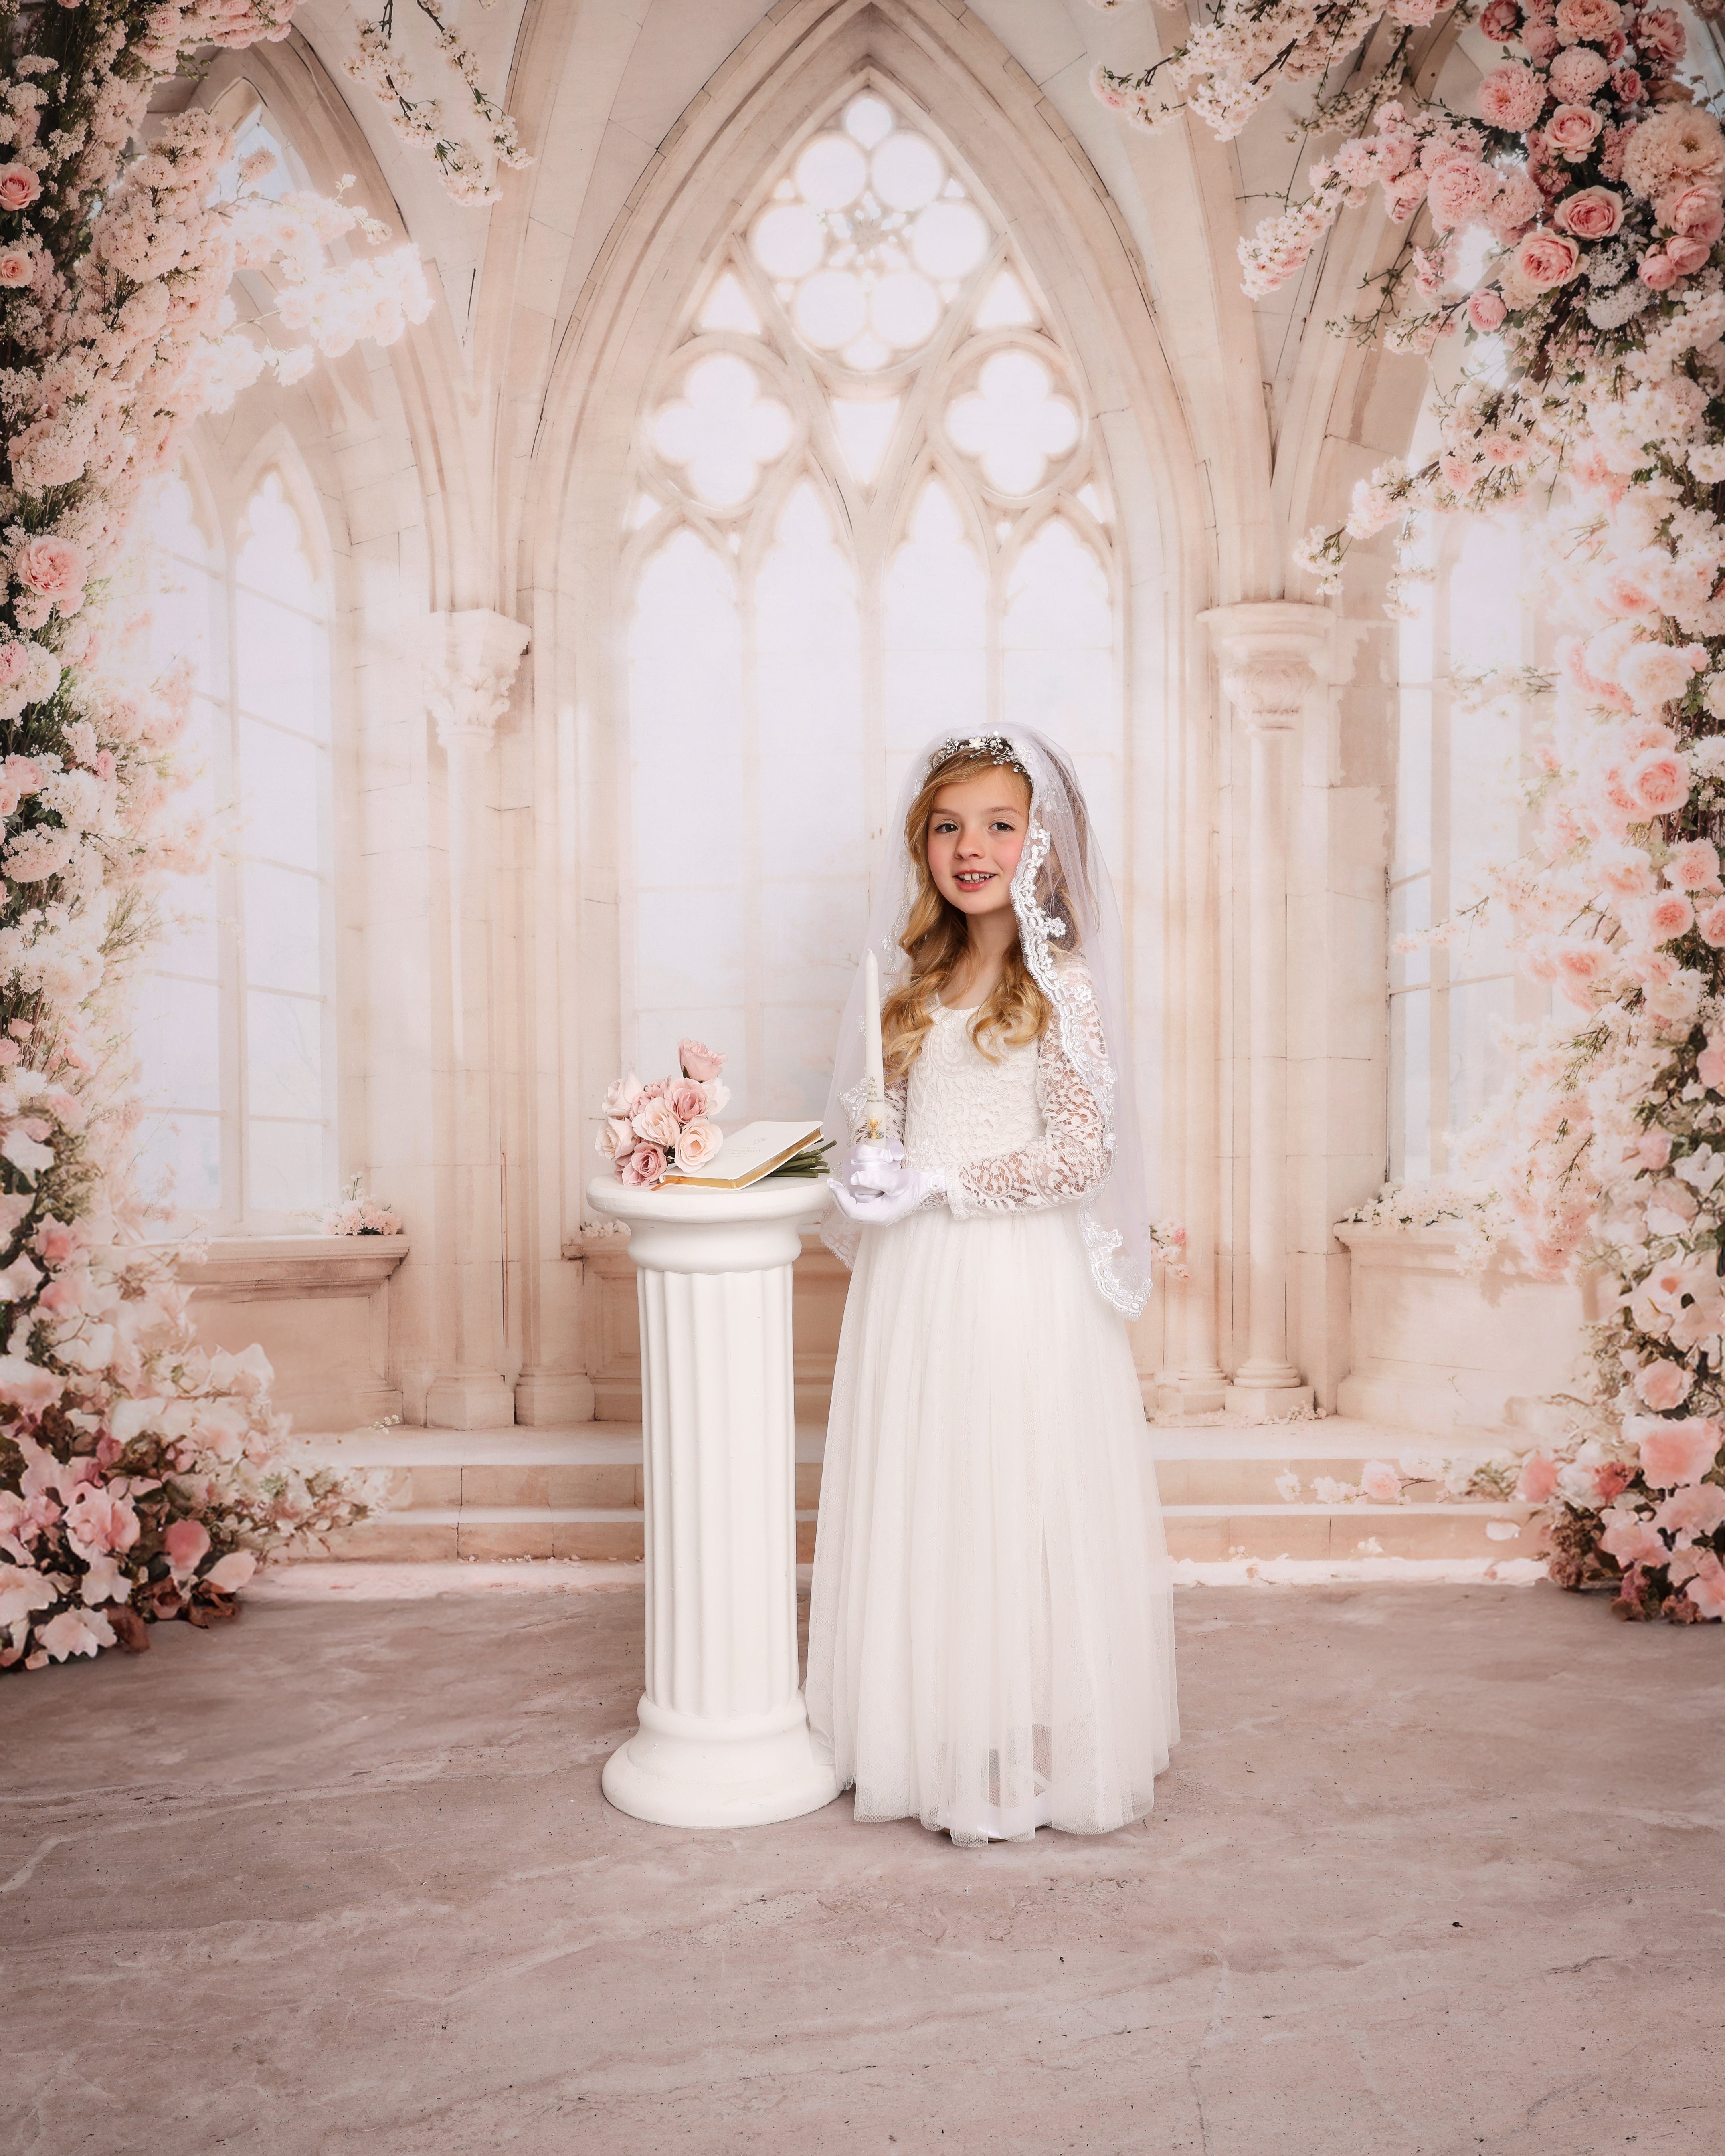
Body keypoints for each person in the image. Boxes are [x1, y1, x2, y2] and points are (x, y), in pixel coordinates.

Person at [807, 728, 1179, 1847]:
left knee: (1006, 1497)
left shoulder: (1060, 985)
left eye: (999, 824)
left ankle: (1020, 1744)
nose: (971, 847)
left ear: (1044, 843)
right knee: (930, 1494)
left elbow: (1078, 1156)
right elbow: (888, 1127)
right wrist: (877, 1173)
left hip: (1014, 1280)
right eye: (947, 824)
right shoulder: (917, 983)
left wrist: (937, 1180)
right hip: (914, 1281)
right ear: (922, 844)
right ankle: (926, 1727)